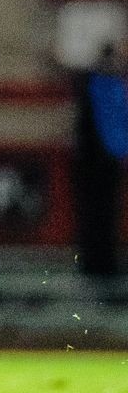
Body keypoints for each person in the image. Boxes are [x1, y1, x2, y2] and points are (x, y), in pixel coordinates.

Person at [72, 40, 127, 285]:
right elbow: (113, 126)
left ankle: (96, 264)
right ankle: (99, 264)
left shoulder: (93, 85)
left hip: (94, 159)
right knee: (102, 214)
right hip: (104, 159)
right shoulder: (108, 87)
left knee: (96, 214)